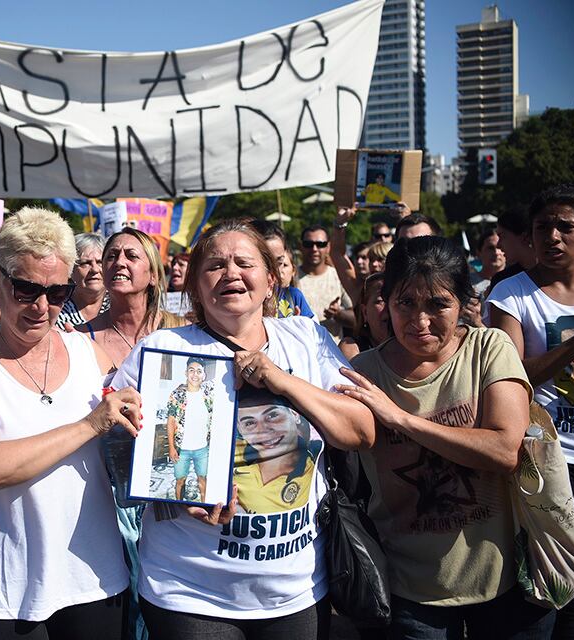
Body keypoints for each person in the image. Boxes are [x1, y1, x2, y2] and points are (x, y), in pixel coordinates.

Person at [112, 218, 375, 639]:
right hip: (188, 590)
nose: (231, 273)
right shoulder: (162, 351)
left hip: (294, 589)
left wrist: (281, 379)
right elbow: (115, 449)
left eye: (244, 263)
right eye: (215, 266)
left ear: (271, 281)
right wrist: (175, 495)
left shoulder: (307, 338)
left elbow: (360, 432)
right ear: (195, 288)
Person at [339, 235, 555, 639]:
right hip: (410, 595)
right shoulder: (362, 373)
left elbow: (505, 449)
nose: (420, 321)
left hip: (506, 584)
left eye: (438, 304)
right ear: (385, 303)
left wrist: (401, 419)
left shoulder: (489, 348)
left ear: (463, 303)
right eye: (406, 303)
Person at [0, 207, 138, 639]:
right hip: (1, 588)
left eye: (58, 292)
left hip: (92, 577)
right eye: (27, 289)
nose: (42, 306)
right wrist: (91, 424)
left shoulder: (91, 354)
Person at [486, 184, 574, 640]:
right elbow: (515, 375)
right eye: (544, 227)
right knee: (543, 588)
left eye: (566, 226)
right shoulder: (512, 294)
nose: (554, 236)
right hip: (547, 465)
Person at [79, 227, 185, 370]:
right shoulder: (81, 339)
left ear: (153, 275)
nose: (119, 262)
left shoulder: (182, 331)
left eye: (131, 256)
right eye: (111, 256)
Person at [233, 386, 323, 514]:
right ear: (240, 429)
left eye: (272, 415)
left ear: (295, 414)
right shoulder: (225, 452)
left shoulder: (315, 465)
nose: (263, 430)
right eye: (249, 423)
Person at [165, 356, 215, 502]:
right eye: (191, 370)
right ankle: (179, 505)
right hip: (182, 449)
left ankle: (205, 506)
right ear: (186, 373)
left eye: (199, 371)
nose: (195, 374)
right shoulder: (177, 395)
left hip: (203, 449)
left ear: (204, 375)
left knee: (203, 480)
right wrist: (172, 448)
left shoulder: (209, 395)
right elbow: (171, 422)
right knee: (180, 480)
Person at [250, 221, 314, 319]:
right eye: (266, 263)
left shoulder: (293, 296)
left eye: (279, 262)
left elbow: (314, 332)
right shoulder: (237, 302)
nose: (274, 271)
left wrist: (299, 329)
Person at [298, 224, 352, 339]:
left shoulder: (338, 276)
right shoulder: (290, 278)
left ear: (328, 247)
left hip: (333, 352)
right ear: (300, 246)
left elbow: (357, 318)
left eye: (320, 244)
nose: (314, 249)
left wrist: (339, 314)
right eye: (308, 244)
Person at [58, 233, 110, 329]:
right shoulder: (56, 309)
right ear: (71, 270)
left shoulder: (119, 305)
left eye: (100, 262)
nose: (95, 269)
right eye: (85, 263)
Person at [487, 206, 537, 297]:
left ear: (525, 237)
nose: (498, 245)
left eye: (501, 236)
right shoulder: (502, 281)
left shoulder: (560, 277)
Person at [339, 272, 389, 360]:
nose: (389, 307)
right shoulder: (351, 348)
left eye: (394, 300)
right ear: (365, 312)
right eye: (380, 301)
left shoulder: (412, 347)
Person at [471, 228, 506, 296]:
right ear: (479, 253)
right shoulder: (466, 282)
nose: (496, 252)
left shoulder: (516, 281)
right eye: (490, 248)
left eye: (500, 247)